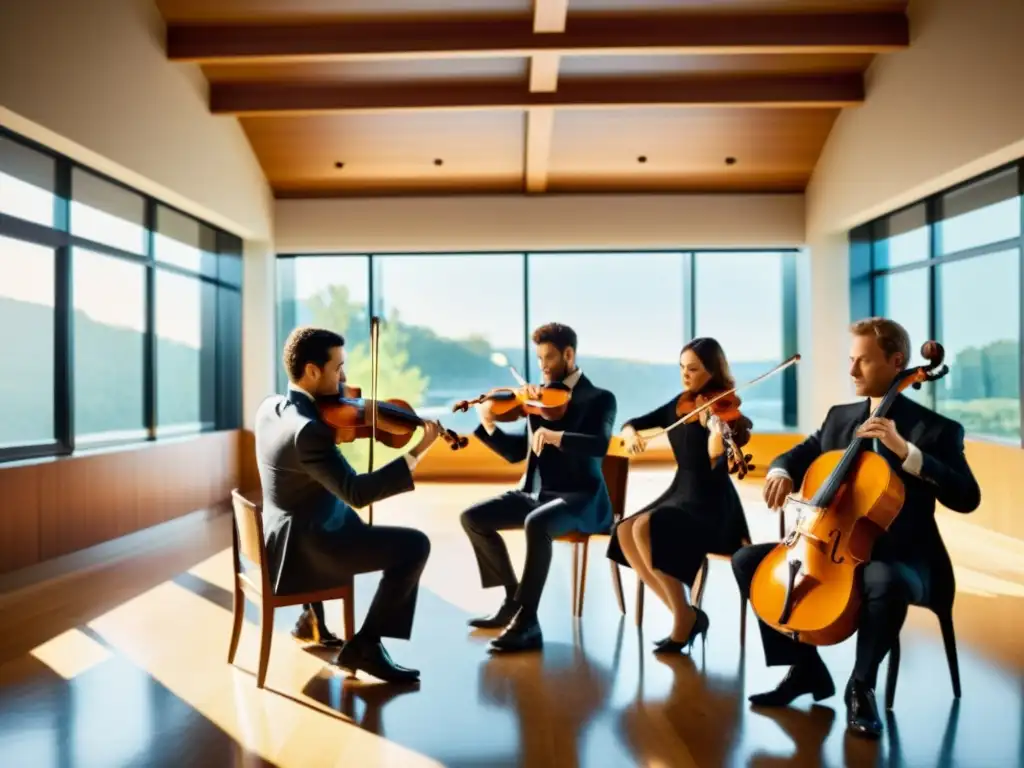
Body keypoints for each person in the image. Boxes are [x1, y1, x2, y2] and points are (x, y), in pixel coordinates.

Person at [731, 317, 981, 739]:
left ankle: (860, 686)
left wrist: (908, 452)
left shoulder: (935, 429)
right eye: (851, 360)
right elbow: (801, 453)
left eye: (862, 361)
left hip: (907, 558)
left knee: (882, 576)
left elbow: (966, 497)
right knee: (749, 562)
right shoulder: (840, 417)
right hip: (834, 548)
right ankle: (806, 669)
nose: (851, 372)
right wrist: (779, 470)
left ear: (897, 361)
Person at [254, 326, 443, 683]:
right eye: (338, 367)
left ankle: (312, 620)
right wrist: (417, 451)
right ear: (311, 371)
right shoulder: (309, 431)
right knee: (415, 545)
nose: (344, 377)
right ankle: (366, 646)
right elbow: (356, 492)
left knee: (351, 520)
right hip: (311, 549)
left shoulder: (271, 408)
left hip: (281, 535)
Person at [460, 322, 617, 652]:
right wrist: (487, 423)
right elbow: (518, 452)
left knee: (538, 523)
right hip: (536, 494)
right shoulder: (539, 400)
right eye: (539, 358)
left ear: (569, 354)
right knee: (473, 518)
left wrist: (557, 436)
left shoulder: (600, 398)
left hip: (581, 499)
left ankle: (528, 622)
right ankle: (511, 600)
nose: (543, 366)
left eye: (549, 358)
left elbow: (599, 444)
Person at [607, 338, 753, 653]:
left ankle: (683, 620)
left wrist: (716, 432)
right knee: (623, 530)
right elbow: (633, 423)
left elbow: (716, 456)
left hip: (710, 501)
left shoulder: (722, 408)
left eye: (694, 369)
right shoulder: (680, 404)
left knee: (645, 527)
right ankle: (684, 613)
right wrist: (631, 435)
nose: (685, 375)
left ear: (713, 370)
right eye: (682, 368)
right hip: (679, 490)